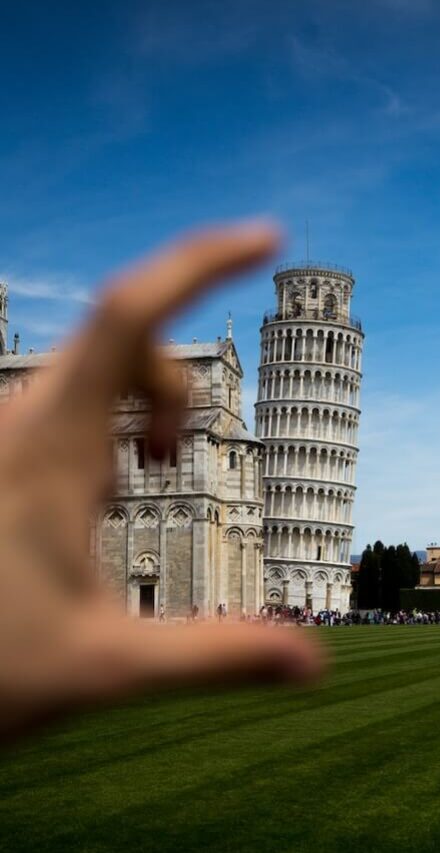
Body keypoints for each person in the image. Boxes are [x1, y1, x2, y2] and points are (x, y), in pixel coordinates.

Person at [0, 220, 323, 740]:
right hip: (152, 498)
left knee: (222, 528)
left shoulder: (220, 408)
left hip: (189, 497)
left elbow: (213, 427)